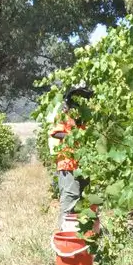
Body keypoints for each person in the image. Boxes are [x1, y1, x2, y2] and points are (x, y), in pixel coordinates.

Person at [49, 84, 93, 229]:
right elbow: (56, 132)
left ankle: (79, 236)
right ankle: (64, 237)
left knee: (84, 202)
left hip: (84, 165)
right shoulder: (65, 115)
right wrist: (72, 136)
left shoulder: (86, 117)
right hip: (68, 164)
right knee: (69, 200)